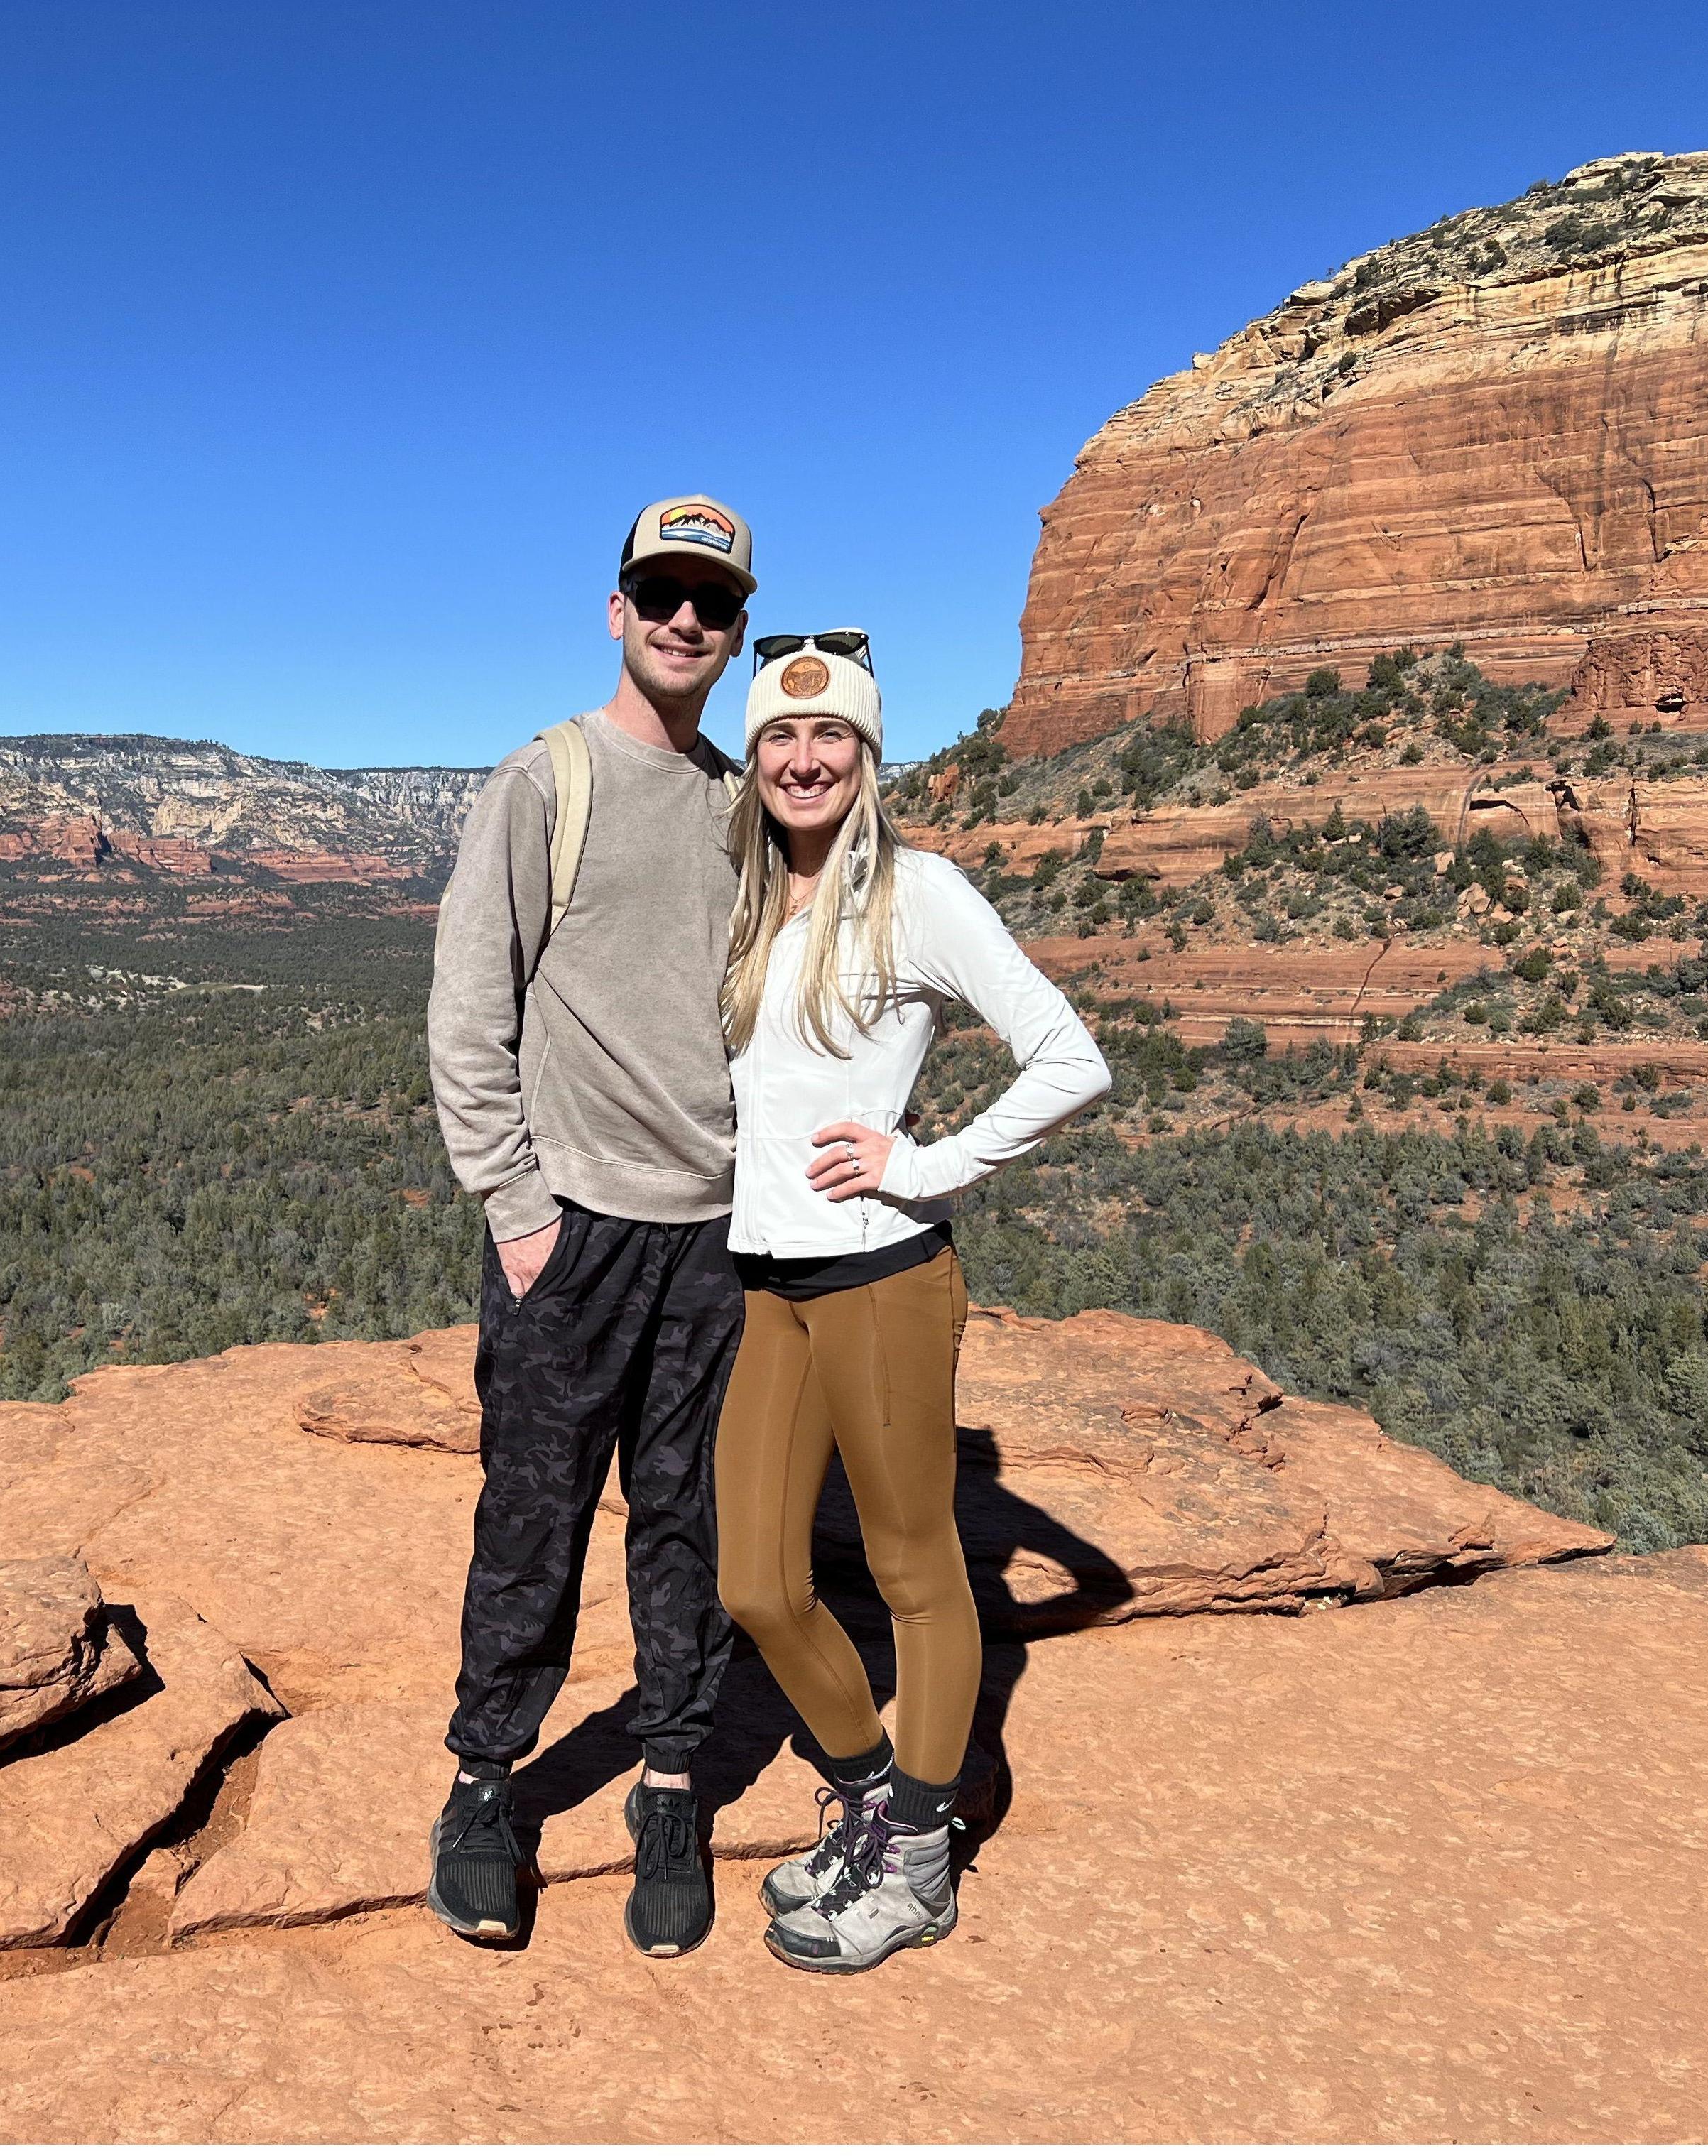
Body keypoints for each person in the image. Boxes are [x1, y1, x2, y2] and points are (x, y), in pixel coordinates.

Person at [712, 631, 1111, 1975]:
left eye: (833, 741)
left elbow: (1071, 1056)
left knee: (911, 1568)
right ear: (755, 757)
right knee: (759, 1580)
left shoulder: (921, 894)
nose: (806, 759)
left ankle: (921, 1858)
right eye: (780, 738)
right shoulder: (751, 896)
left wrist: (929, 1166)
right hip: (768, 1286)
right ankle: (877, 1794)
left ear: (869, 758)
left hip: (884, 1278)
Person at [423, 494, 755, 1956]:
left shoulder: (748, 799)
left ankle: (669, 1782)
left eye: (717, 603)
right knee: (534, 1517)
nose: (690, 620)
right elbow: (466, 1010)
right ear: (617, 610)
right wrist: (515, 1207)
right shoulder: (543, 783)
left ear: (739, 631)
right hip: (574, 1234)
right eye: (664, 593)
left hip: (717, 1236)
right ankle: (487, 1786)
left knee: (692, 1522)